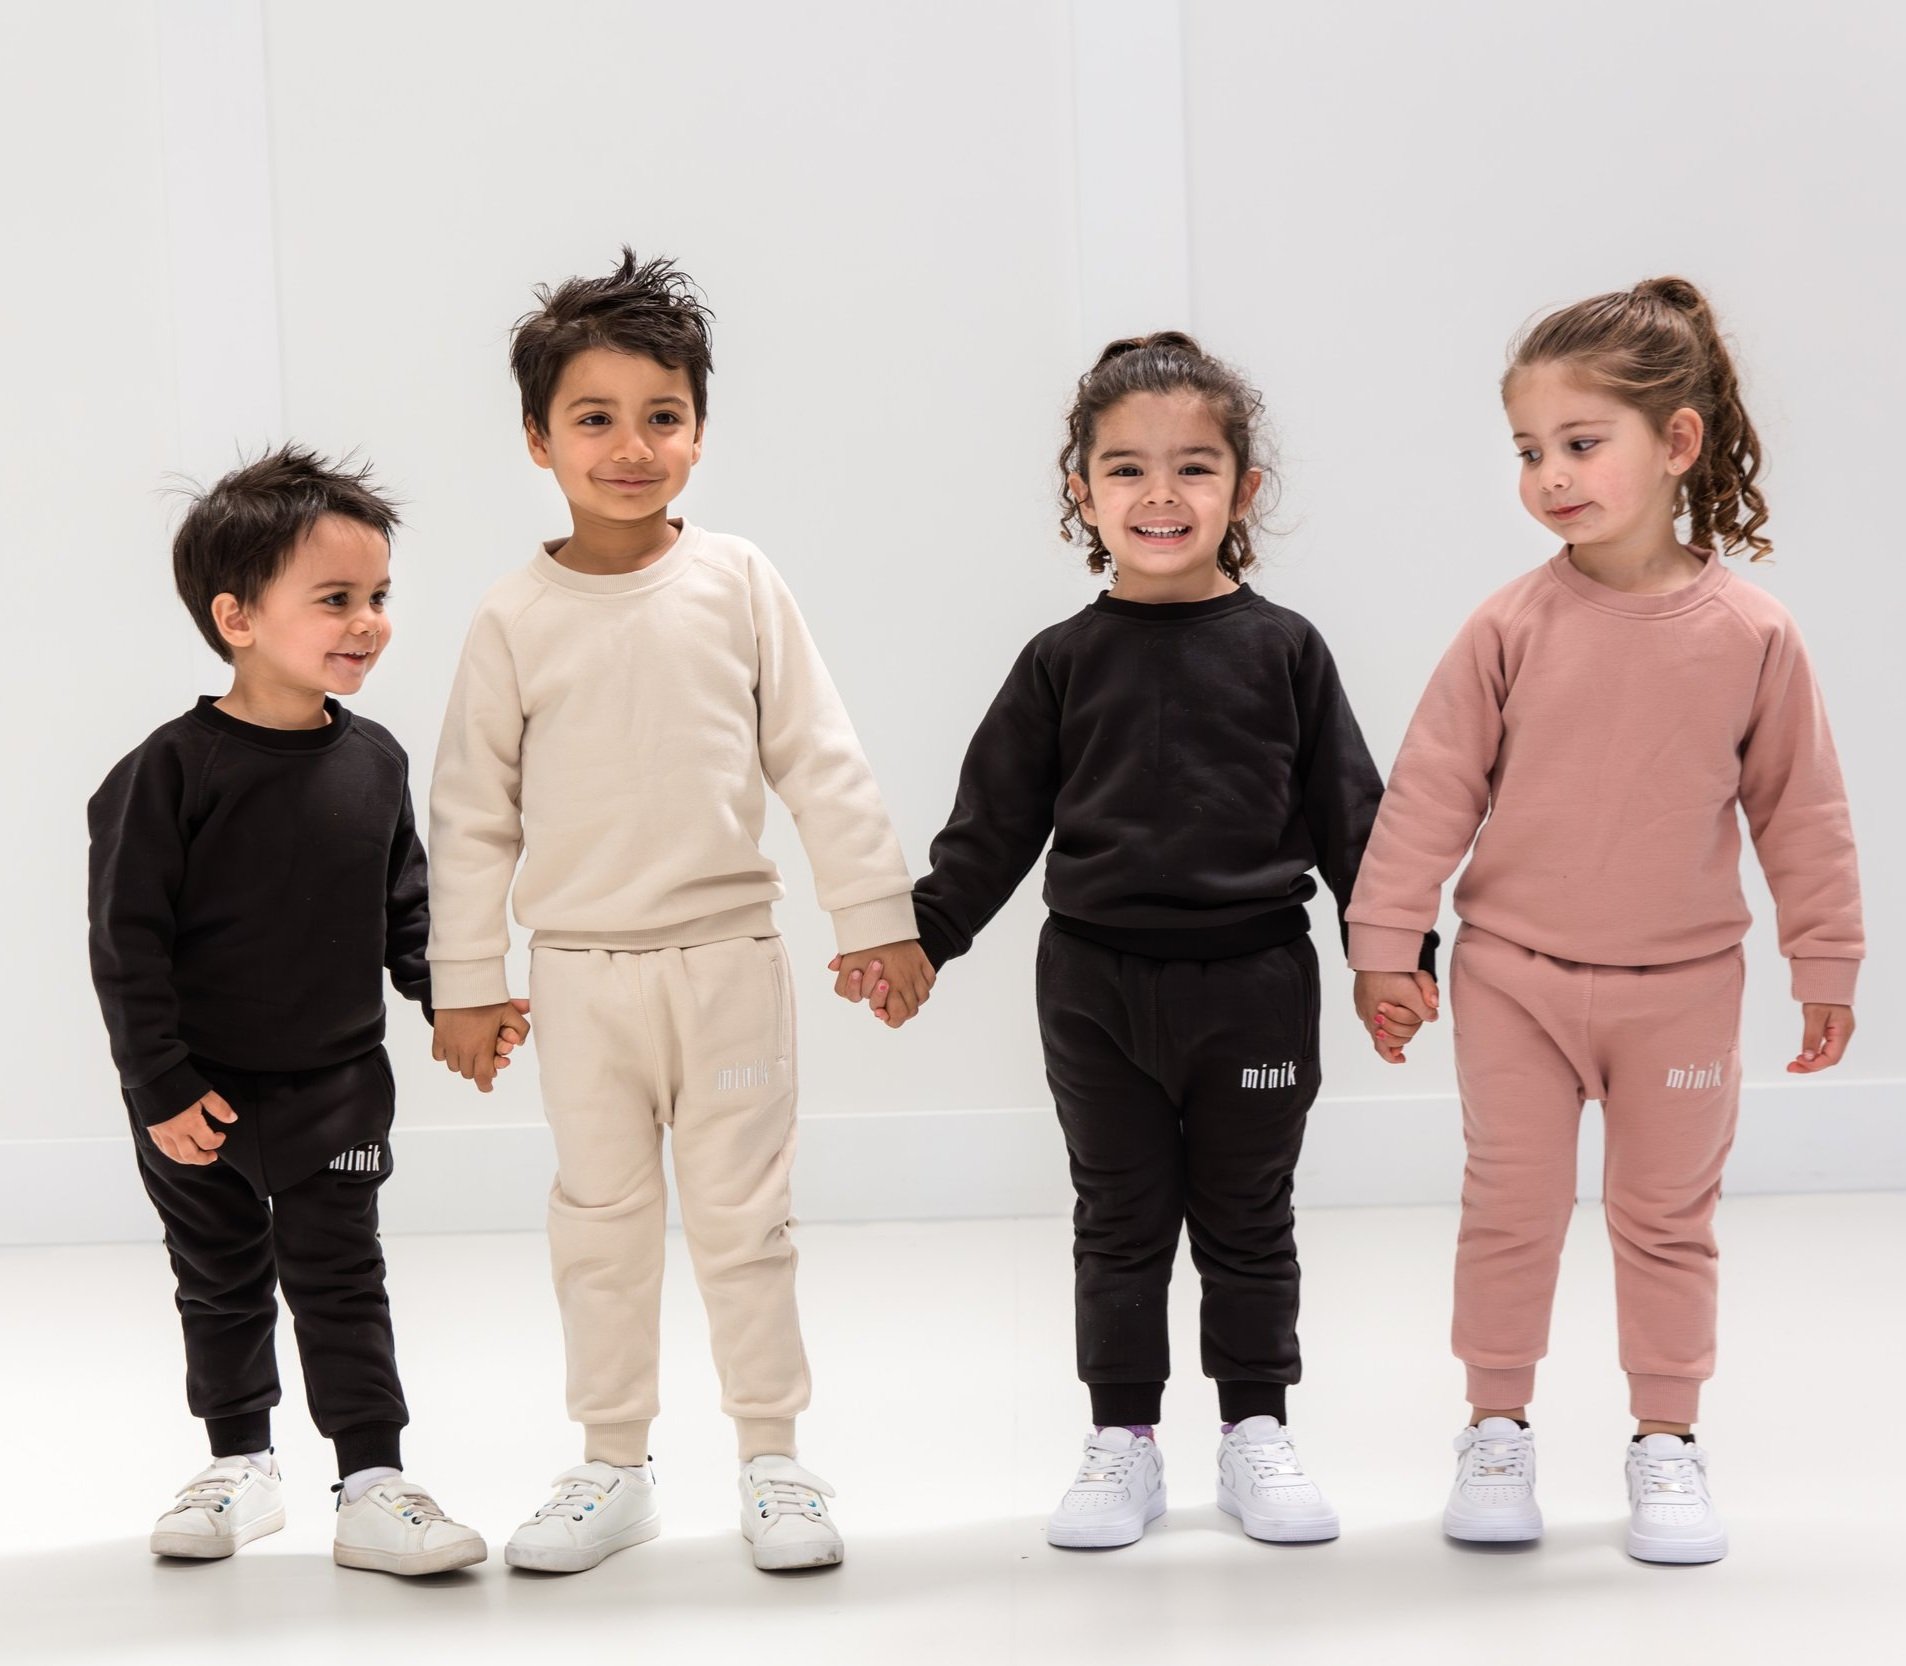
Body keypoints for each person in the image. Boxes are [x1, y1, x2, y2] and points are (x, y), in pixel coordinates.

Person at [849, 333, 1435, 1549]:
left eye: (1194, 467)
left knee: (1245, 1212)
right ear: (1082, 490)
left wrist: (1393, 958)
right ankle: (1121, 1438)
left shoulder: (1285, 650)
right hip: (1095, 989)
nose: (1159, 495)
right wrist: (924, 941)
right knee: (1116, 1215)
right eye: (1125, 469)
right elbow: (991, 826)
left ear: (1243, 490)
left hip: (1257, 983)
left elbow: (1354, 823)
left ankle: (1253, 1429)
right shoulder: (1060, 663)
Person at [1346, 277, 1864, 1565]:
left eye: (1582, 444)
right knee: (1509, 1206)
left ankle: (1666, 1441)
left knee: (1665, 1215)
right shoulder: (1507, 626)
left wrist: (1826, 963)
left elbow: (1802, 812)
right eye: (1530, 450)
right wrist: (1382, 951)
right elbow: (1425, 796)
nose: (1550, 476)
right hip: (1513, 979)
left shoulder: (1752, 633)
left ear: (1674, 442)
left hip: (1682, 989)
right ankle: (1495, 1428)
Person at [427, 248, 925, 1572]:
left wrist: (874, 914)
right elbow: (472, 812)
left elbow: (818, 754)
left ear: (698, 430)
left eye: (662, 416)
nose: (631, 446)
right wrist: (465, 979)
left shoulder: (738, 581)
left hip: (727, 966)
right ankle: (611, 1461)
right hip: (579, 975)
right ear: (537, 439)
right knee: (598, 1219)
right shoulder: (512, 615)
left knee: (744, 1220)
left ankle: (773, 1453)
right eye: (593, 418)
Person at [87, 446, 502, 1575]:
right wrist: (160, 1086)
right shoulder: (165, 774)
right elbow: (127, 947)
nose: (367, 622)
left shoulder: (375, 762)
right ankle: (239, 1463)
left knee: (340, 1275)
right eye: (334, 599)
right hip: (199, 1097)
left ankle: (372, 1481)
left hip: (336, 1087)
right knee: (219, 1277)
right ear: (236, 617)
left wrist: (456, 999)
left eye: (377, 598)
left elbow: (406, 910)